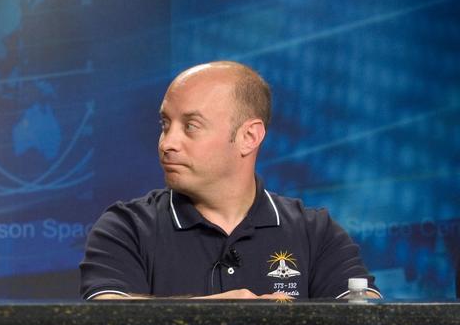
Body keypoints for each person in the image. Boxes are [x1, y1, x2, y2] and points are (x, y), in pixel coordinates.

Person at [80, 61, 378, 300]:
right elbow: (109, 317)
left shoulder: (315, 233)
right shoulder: (126, 227)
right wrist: (221, 313)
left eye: (191, 126)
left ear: (249, 137)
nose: (167, 143)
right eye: (165, 124)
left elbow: (368, 319)